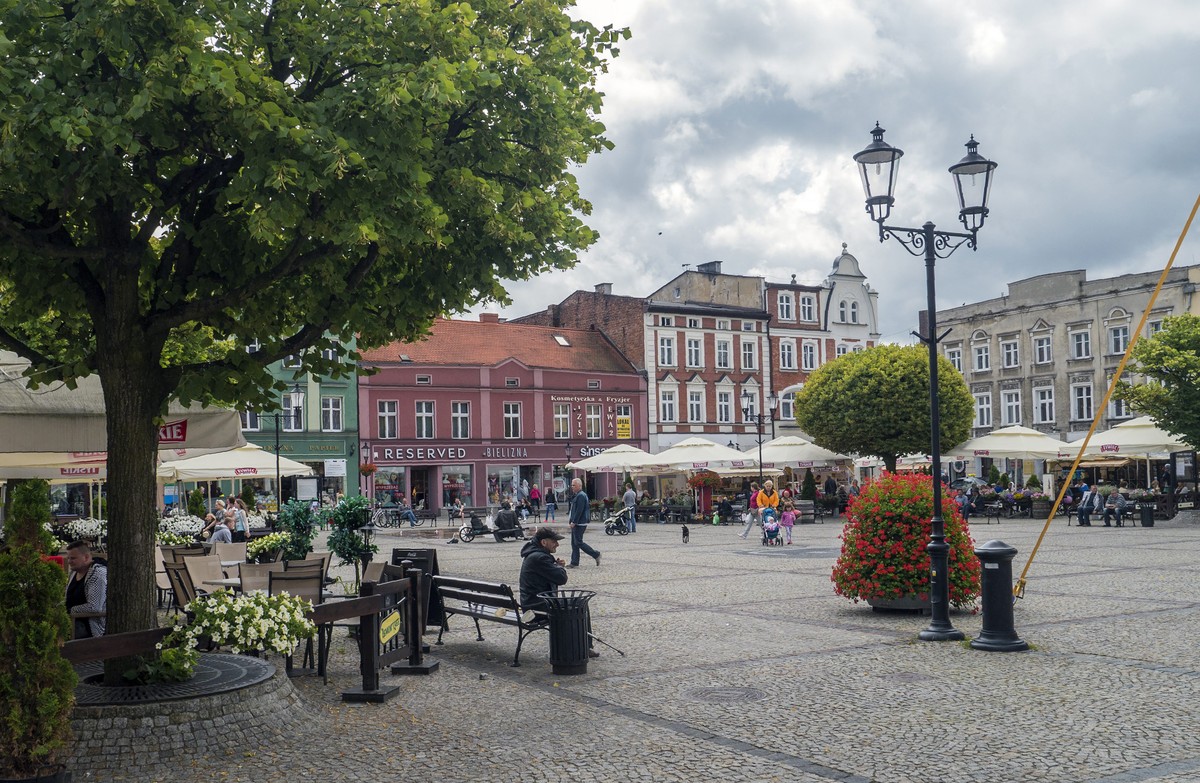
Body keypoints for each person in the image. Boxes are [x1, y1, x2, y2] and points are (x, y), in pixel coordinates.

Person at [519, 527, 599, 658]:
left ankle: (582, 644)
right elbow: (562, 579)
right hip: (537, 606)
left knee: (577, 603)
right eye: (554, 541)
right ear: (544, 542)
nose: (557, 544)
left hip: (531, 602)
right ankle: (585, 646)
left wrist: (554, 565)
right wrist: (558, 567)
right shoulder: (540, 558)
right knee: (580, 604)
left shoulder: (534, 554)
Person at [65, 541, 107, 638]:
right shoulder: (73, 573)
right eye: (68, 558)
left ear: (86, 557)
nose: (69, 561)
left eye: (73, 558)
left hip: (92, 627)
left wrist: (69, 611)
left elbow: (94, 607)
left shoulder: (98, 574)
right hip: (73, 620)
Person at [567, 477, 600, 568]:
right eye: (572, 485)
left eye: (574, 485)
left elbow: (579, 510)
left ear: (579, 486)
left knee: (578, 542)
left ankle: (595, 554)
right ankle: (574, 562)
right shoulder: (578, 495)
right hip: (577, 523)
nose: (572, 487)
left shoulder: (581, 495)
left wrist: (574, 521)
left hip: (579, 523)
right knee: (574, 543)